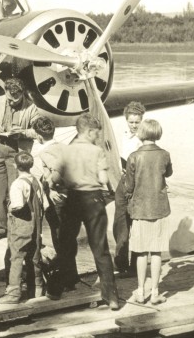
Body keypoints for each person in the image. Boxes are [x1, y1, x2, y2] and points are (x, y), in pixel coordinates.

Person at [48, 113, 119, 310]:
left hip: (73, 200)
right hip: (94, 200)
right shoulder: (97, 151)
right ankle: (111, 296)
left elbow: (53, 179)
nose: (97, 136)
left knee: (66, 245)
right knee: (100, 248)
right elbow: (104, 179)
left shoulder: (66, 151)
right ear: (88, 132)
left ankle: (55, 289)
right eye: (96, 133)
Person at [0, 78, 40, 240]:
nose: (11, 102)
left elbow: (38, 131)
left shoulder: (31, 107)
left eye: (15, 99)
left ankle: (16, 228)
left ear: (22, 94)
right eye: (9, 99)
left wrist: (24, 132)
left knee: (15, 192)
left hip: (17, 155)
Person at [124, 119, 172, 305]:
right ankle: (155, 293)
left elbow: (129, 186)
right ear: (157, 133)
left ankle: (140, 291)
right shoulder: (165, 154)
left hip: (140, 209)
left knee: (142, 252)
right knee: (157, 252)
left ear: (141, 133)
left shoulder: (133, 156)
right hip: (159, 208)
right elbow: (168, 173)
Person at [32, 116, 80, 289]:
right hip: (72, 196)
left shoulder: (45, 152)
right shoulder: (64, 147)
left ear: (38, 136)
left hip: (58, 199)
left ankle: (68, 279)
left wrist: (51, 187)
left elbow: (57, 171)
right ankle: (72, 276)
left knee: (59, 239)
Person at [0, 151, 48, 304]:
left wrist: (9, 207)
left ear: (15, 165)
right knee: (34, 257)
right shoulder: (37, 182)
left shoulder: (18, 184)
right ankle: (38, 289)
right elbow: (45, 204)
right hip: (37, 225)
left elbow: (18, 205)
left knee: (16, 257)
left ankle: (13, 293)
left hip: (21, 225)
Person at [113, 101, 146, 275]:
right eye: (131, 122)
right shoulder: (123, 135)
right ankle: (120, 264)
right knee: (120, 222)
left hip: (138, 184)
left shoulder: (144, 138)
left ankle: (135, 266)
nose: (133, 125)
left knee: (137, 224)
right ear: (126, 120)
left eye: (137, 122)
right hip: (123, 180)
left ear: (142, 120)